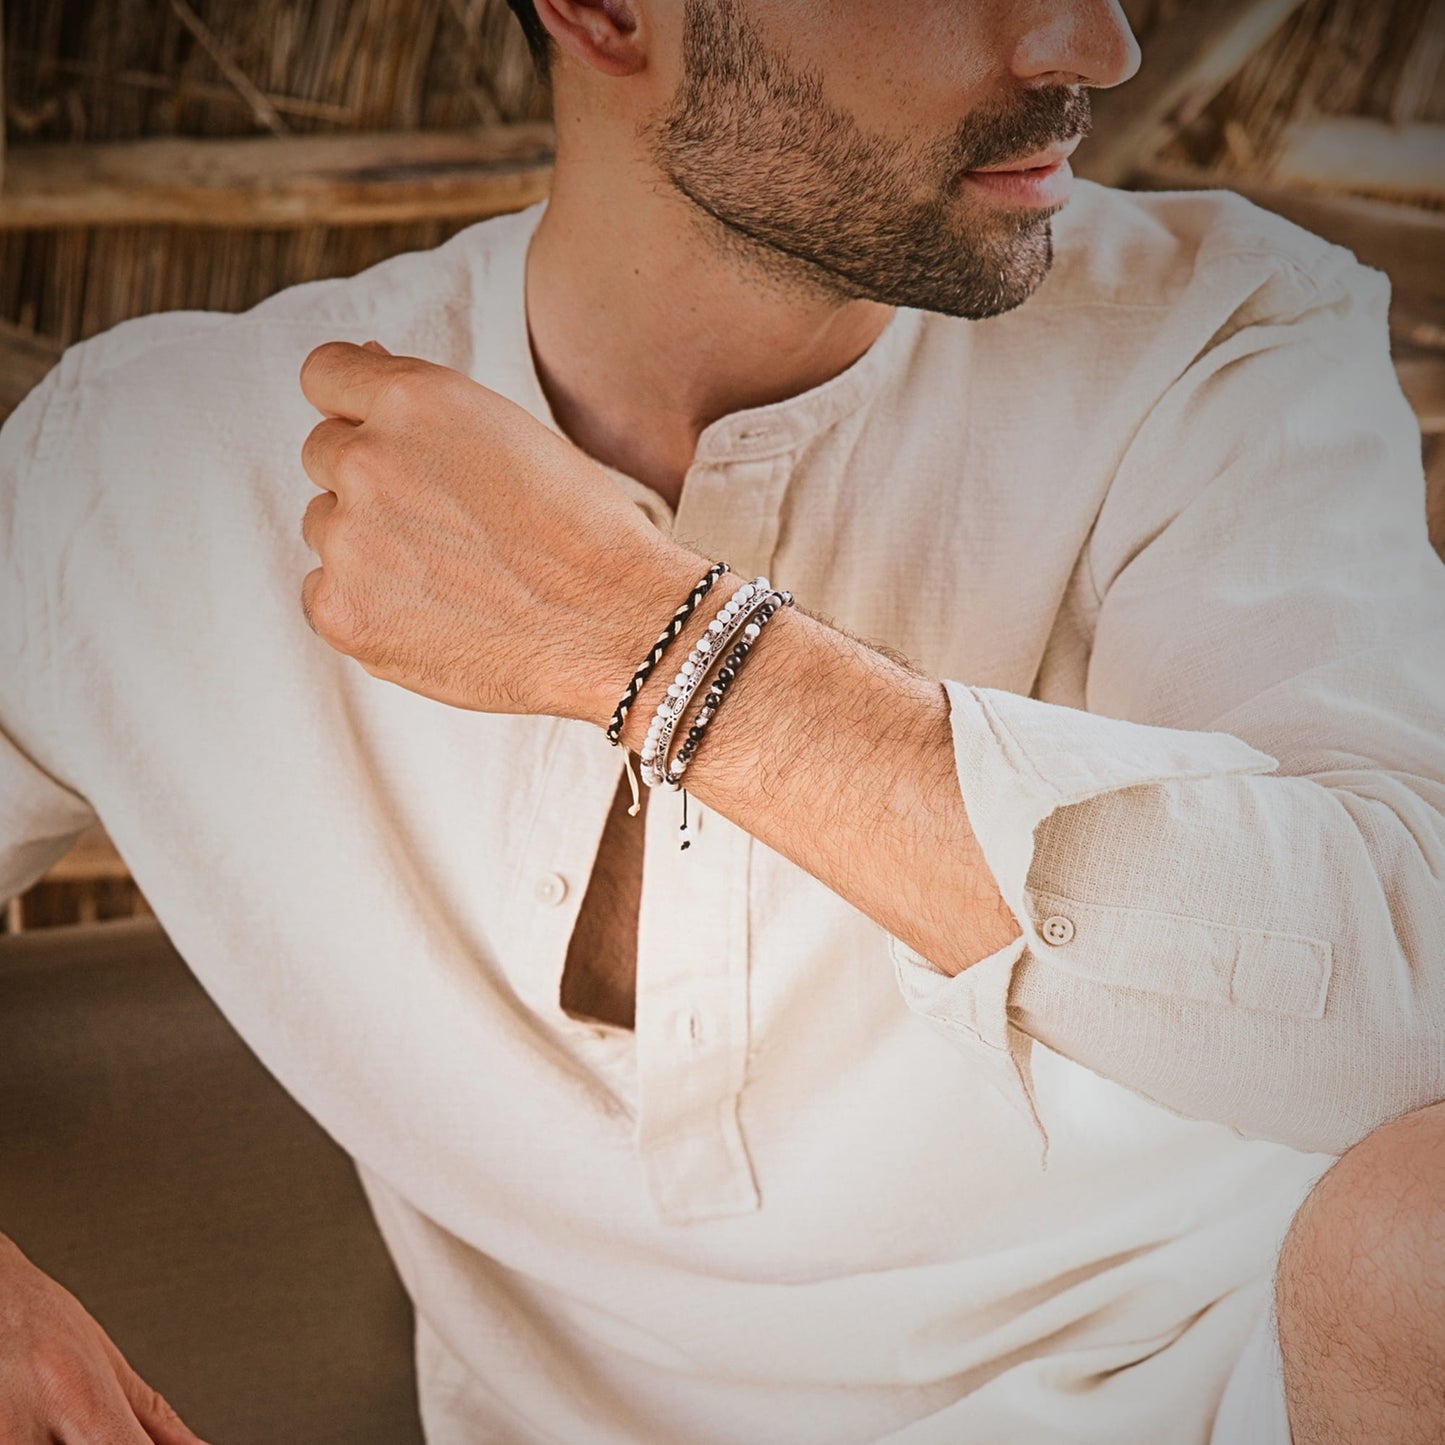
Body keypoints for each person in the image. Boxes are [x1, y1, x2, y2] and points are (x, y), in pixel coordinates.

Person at [1, 0, 1443, 1440]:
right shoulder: (153, 470)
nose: (1096, 45)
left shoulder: (1216, 340)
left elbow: (1410, 1004)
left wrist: (658, 641)